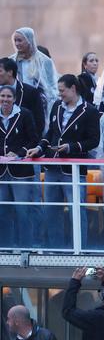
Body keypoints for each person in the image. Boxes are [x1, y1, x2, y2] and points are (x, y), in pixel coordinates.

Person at [26, 74, 100, 249]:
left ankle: (79, 249)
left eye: (62, 91)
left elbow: (94, 140)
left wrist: (71, 147)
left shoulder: (89, 110)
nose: (60, 95)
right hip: (53, 168)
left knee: (77, 210)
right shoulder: (57, 106)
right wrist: (39, 148)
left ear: (73, 89)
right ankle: (55, 249)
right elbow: (51, 134)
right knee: (52, 210)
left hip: (73, 170)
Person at [0, 84, 39, 248]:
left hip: (20, 171)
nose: (5, 100)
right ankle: (6, 248)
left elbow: (33, 139)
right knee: (2, 212)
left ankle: (25, 249)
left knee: (23, 211)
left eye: (9, 97)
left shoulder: (25, 114)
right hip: (1, 171)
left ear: (15, 99)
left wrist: (18, 153)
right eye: (2, 96)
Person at [9, 27, 58, 109]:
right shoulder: (11, 61)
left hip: (39, 104)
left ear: (29, 40)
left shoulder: (45, 61)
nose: (17, 44)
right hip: (17, 103)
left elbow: (52, 85)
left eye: (20, 40)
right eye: (15, 40)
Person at [0, 57, 46, 136]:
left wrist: (29, 146)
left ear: (10, 72)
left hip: (23, 145)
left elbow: (39, 123)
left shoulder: (30, 92)